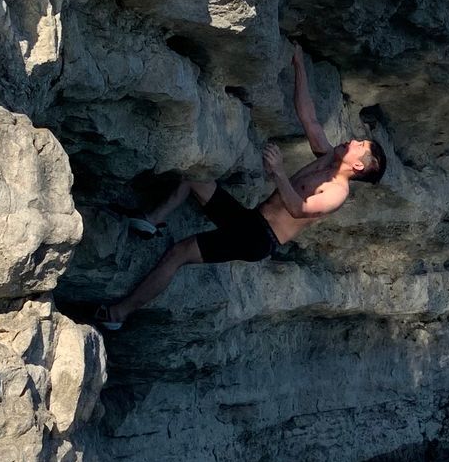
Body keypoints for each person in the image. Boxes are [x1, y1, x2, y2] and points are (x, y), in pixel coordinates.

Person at [95, 43, 385, 329]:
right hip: (250, 219)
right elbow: (308, 117)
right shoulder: (328, 157)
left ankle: (120, 312)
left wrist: (279, 172)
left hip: (258, 238)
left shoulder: (337, 192)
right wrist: (299, 65)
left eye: (359, 145)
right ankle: (152, 219)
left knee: (179, 253)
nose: (353, 140)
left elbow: (298, 209)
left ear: (357, 165)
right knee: (194, 177)